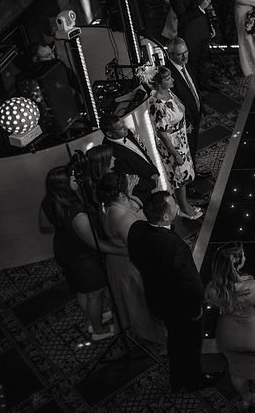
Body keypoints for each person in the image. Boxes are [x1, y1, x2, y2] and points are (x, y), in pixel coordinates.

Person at [129, 192, 220, 392]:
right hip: (182, 305)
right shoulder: (173, 246)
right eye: (173, 205)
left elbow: (135, 257)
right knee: (190, 343)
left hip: (158, 298)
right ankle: (194, 379)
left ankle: (177, 379)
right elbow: (191, 282)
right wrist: (196, 308)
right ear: (165, 218)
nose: (177, 205)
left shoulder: (137, 229)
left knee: (175, 341)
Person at [38, 166, 115, 341]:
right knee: (95, 293)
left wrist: (62, 225)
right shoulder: (76, 213)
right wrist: (120, 250)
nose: (77, 179)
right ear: (64, 185)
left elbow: (44, 225)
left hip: (64, 249)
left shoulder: (49, 200)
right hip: (82, 256)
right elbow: (94, 243)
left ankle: (92, 319)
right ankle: (98, 330)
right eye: (73, 179)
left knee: (81, 289)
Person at [95, 171, 166, 344]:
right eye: (126, 181)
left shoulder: (107, 205)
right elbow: (138, 245)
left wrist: (130, 191)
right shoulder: (122, 218)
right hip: (129, 264)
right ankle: (151, 334)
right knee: (139, 300)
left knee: (131, 299)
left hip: (118, 258)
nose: (130, 178)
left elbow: (129, 208)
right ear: (119, 193)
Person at [205, 243, 255, 411]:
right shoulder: (253, 287)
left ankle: (245, 399)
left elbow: (213, 303)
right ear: (237, 262)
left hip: (227, 334)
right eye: (243, 255)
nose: (245, 257)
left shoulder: (212, 288)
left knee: (236, 370)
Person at [148, 67, 201, 220]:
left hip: (181, 139)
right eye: (167, 78)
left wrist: (185, 125)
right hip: (172, 145)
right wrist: (175, 153)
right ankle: (183, 207)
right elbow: (162, 133)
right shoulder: (157, 104)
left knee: (184, 174)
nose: (172, 80)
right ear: (159, 84)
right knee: (179, 177)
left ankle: (184, 203)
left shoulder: (168, 93)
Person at [165, 38, 208, 179]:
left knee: (193, 146)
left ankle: (194, 170)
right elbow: (175, 102)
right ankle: (190, 182)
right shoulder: (169, 75)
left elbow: (192, 88)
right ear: (170, 55)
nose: (184, 57)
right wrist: (186, 122)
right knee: (186, 151)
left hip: (195, 115)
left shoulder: (185, 65)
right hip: (184, 123)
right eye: (179, 54)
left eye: (186, 52)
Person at [169, 0, 213, 88]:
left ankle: (204, 84)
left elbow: (201, 9)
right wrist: (200, 8)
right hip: (190, 34)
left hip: (202, 30)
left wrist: (209, 27)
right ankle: (195, 88)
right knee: (192, 63)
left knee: (204, 60)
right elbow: (183, 18)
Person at [99, 118, 159, 205]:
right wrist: (152, 183)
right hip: (142, 194)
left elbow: (141, 152)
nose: (126, 128)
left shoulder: (127, 133)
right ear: (109, 133)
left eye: (124, 124)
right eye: (121, 128)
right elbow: (128, 179)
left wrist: (154, 171)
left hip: (153, 178)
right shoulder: (109, 152)